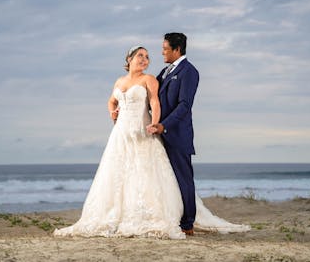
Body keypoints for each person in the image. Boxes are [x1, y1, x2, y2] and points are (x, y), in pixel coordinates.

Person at [53, 45, 250, 239]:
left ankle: (176, 219)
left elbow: (155, 102)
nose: (145, 59)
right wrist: (113, 114)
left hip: (143, 130)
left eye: (147, 57)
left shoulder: (150, 79)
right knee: (119, 174)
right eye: (140, 55)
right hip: (121, 134)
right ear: (129, 59)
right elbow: (111, 101)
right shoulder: (120, 81)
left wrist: (155, 124)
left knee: (146, 173)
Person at [147, 32, 198, 235]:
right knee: (166, 179)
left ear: (177, 49)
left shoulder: (189, 72)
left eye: (165, 48)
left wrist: (164, 125)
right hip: (160, 134)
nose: (162, 52)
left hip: (177, 134)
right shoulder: (165, 71)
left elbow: (184, 105)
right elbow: (150, 93)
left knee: (183, 178)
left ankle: (188, 224)